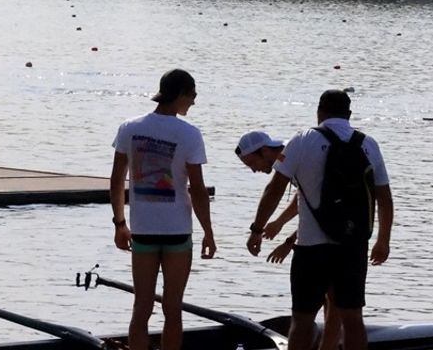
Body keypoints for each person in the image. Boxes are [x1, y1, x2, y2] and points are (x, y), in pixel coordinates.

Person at [245, 90, 393, 350]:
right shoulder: (368, 144)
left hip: (312, 249)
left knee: (302, 320)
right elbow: (384, 197)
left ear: (319, 112)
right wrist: (383, 240)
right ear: (349, 115)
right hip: (352, 246)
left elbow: (275, 189)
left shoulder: (302, 140)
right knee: (353, 319)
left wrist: (257, 229)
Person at [109, 69, 216, 350]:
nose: (193, 102)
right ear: (181, 94)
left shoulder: (129, 127)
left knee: (141, 306)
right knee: (172, 308)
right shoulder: (190, 134)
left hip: (142, 230)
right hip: (177, 232)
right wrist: (208, 232)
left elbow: (117, 179)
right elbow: (198, 189)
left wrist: (120, 223)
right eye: (192, 96)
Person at [235, 131, 342, 350]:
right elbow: (303, 196)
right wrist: (280, 222)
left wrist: (286, 241)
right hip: (344, 238)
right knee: (332, 304)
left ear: (265, 150)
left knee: (326, 307)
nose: (254, 170)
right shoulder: (295, 153)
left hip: (325, 240)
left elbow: (281, 193)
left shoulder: (291, 153)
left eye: (252, 163)